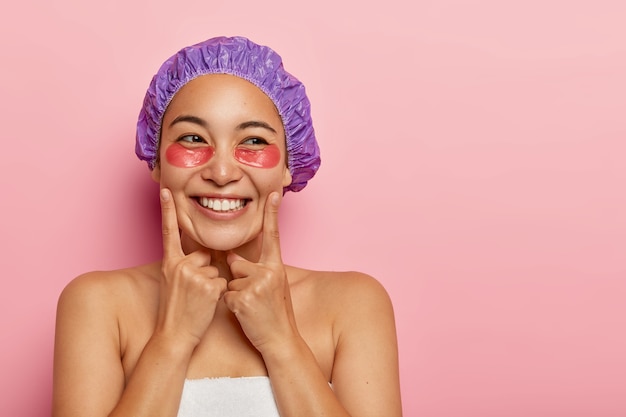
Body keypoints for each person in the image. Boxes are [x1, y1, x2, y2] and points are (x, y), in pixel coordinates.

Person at [52, 36, 402, 417]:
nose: (221, 173)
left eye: (253, 140)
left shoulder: (353, 305)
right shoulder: (97, 305)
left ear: (288, 165)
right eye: (192, 138)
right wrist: (173, 340)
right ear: (155, 159)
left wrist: (282, 342)